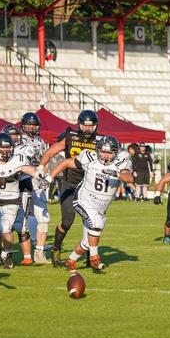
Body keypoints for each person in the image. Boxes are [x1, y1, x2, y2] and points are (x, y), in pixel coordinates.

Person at [45, 135, 133, 271]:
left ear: (116, 153)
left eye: (110, 152)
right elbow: (67, 162)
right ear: (97, 150)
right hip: (83, 200)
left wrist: (116, 173)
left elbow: (129, 178)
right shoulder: (89, 157)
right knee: (96, 224)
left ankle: (71, 260)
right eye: (103, 151)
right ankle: (94, 258)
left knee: (87, 241)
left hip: (101, 207)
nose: (106, 156)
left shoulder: (121, 161)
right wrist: (50, 177)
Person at [37, 109, 101, 267]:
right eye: (84, 126)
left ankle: (89, 254)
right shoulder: (70, 137)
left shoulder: (100, 141)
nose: (87, 129)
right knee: (68, 220)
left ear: (95, 126)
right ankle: (56, 249)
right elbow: (51, 151)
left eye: (90, 126)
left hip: (89, 186)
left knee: (90, 221)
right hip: (69, 183)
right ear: (79, 125)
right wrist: (40, 167)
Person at [0, 132, 41, 268]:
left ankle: (8, 254)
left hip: (12, 201)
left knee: (6, 229)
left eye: (8, 148)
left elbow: (29, 169)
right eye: (2, 148)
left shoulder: (17, 159)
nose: (6, 151)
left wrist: (40, 174)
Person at [17, 112, 51, 263]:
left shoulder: (41, 142)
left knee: (44, 218)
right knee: (20, 218)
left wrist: (44, 174)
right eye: (29, 124)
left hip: (38, 182)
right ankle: (1, 251)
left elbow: (45, 159)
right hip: (22, 182)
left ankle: (39, 252)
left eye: (34, 125)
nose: (31, 128)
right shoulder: (17, 140)